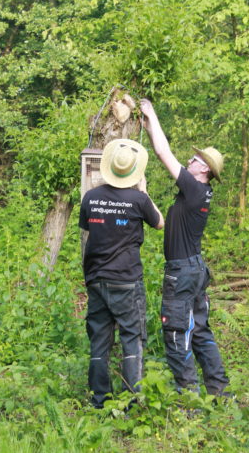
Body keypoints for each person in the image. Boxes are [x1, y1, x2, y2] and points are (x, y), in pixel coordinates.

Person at [140, 98, 230, 396]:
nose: (189, 161)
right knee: (200, 330)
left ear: (204, 169)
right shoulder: (198, 192)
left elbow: (164, 153)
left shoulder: (195, 188)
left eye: (194, 160)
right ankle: (219, 391)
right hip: (194, 269)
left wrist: (152, 114)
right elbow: (158, 150)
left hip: (182, 272)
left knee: (177, 331)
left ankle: (189, 398)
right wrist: (149, 127)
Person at [79, 138, 164, 408]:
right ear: (133, 172)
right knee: (132, 338)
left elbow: (88, 229)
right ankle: (131, 401)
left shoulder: (90, 197)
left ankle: (99, 401)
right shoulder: (139, 199)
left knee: (100, 340)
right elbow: (160, 223)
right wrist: (144, 191)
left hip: (96, 278)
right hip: (126, 279)